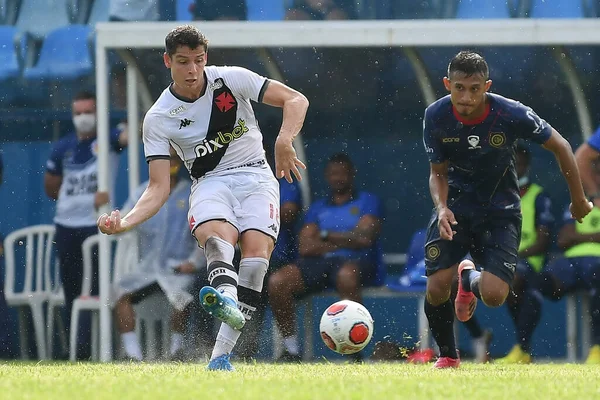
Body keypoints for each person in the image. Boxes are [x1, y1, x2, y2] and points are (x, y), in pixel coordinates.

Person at [97, 25, 309, 372]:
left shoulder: (232, 79)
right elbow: (158, 187)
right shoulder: (158, 117)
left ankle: (220, 356)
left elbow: (296, 99)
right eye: (183, 62)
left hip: (256, 174)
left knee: (256, 259)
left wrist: (284, 140)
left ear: (206, 58)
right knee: (215, 235)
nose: (192, 70)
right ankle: (225, 294)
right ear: (168, 61)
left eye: (198, 60)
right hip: (210, 181)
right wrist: (125, 222)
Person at [422, 50, 592, 368]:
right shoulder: (436, 115)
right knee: (435, 286)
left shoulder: (511, 113)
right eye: (459, 87)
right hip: (455, 208)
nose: (467, 96)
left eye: (474, 88)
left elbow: (562, 146)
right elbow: (438, 172)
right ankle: (448, 356)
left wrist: (579, 199)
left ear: (487, 86)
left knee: (495, 295)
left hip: (500, 212)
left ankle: (468, 279)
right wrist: (441, 207)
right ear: (447, 84)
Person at [268, 153, 383, 362]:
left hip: (356, 262)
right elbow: (305, 246)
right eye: (332, 174)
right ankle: (291, 349)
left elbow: (365, 238)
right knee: (278, 281)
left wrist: (324, 234)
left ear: (351, 174)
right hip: (319, 263)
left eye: (342, 173)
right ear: (326, 177)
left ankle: (355, 349)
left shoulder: (367, 201)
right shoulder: (318, 208)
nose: (337, 178)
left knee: (347, 275)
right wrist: (347, 238)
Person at [45, 90, 128, 359]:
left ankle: (103, 350)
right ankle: (78, 353)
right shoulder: (63, 147)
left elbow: (130, 136)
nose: (83, 118)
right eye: (78, 113)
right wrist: (86, 197)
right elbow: (51, 187)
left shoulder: (108, 139)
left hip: (96, 226)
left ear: (97, 112)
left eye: (88, 112)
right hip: (66, 226)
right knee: (72, 291)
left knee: (98, 289)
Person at [114, 148, 206, 361]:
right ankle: (132, 355)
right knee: (120, 293)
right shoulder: (141, 194)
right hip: (148, 268)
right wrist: (113, 223)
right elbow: (125, 222)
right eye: (164, 160)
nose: (169, 164)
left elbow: (203, 235)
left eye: (174, 159)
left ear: (180, 163)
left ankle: (176, 350)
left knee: (182, 297)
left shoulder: (192, 194)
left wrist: (193, 262)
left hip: (177, 268)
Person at [235, 143, 303, 360]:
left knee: (258, 279)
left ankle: (286, 351)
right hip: (244, 253)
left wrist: (249, 215)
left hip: (277, 256)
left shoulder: (284, 181)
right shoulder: (240, 183)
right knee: (205, 280)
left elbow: (289, 212)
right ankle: (206, 347)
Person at [389, 228, 493, 363]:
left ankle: (470, 338)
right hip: (434, 274)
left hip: (463, 275)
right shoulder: (437, 228)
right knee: (439, 290)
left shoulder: (473, 230)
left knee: (456, 288)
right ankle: (446, 350)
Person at [534, 161, 600, 364]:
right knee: (539, 282)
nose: (596, 179)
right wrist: (595, 236)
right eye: (594, 174)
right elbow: (563, 239)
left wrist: (578, 235)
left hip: (597, 262)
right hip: (570, 262)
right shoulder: (581, 202)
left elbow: (571, 236)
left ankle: (597, 347)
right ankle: (524, 348)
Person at [496, 144, 553, 364]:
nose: (514, 169)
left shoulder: (539, 197)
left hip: (529, 261)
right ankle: (480, 337)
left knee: (515, 280)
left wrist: (514, 255)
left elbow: (543, 241)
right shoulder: (497, 196)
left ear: (526, 165)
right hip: (504, 259)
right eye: (510, 164)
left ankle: (522, 347)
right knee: (459, 280)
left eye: (518, 164)